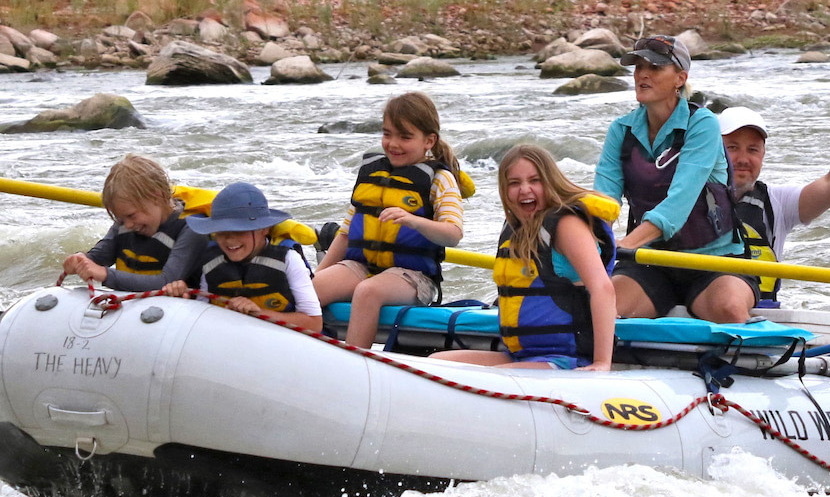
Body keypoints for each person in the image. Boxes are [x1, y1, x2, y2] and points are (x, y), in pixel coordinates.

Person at [593, 35, 754, 323]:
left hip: (715, 261)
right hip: (650, 261)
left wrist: (624, 246)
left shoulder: (703, 124)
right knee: (602, 307)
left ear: (680, 78)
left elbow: (678, 203)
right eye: (638, 66)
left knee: (728, 308)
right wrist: (592, 242)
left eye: (654, 68)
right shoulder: (620, 130)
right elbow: (603, 202)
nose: (642, 74)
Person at [433, 146, 618, 371]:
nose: (524, 190)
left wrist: (601, 363)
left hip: (565, 359)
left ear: (550, 182)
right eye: (514, 183)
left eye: (534, 180)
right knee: (435, 364)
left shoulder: (566, 225)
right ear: (504, 189)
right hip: (522, 356)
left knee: (493, 378)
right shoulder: (515, 228)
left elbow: (603, 288)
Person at [316, 91, 471, 348]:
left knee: (368, 292)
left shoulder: (439, 180)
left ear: (429, 140)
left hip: (415, 278)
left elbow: (453, 234)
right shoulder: (371, 174)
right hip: (363, 266)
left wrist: (413, 221)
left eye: (405, 136)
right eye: (387, 134)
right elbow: (345, 234)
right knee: (309, 290)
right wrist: (316, 275)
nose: (393, 144)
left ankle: (356, 366)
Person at [719, 74, 830, 307]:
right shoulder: (687, 195)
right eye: (732, 147)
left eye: (753, 150)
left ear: (763, 155)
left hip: (763, 315)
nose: (743, 159)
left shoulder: (777, 202)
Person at [162, 183, 322, 333]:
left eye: (240, 231)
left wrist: (259, 314)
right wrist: (180, 295)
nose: (230, 240)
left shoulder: (288, 259)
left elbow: (314, 323)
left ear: (264, 228)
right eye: (221, 232)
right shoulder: (209, 261)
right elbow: (200, 312)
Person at [61, 153, 204, 292]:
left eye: (132, 215)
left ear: (157, 196)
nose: (127, 225)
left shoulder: (192, 228)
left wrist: (105, 274)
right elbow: (99, 257)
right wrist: (81, 260)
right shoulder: (126, 223)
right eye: (121, 219)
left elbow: (166, 281)